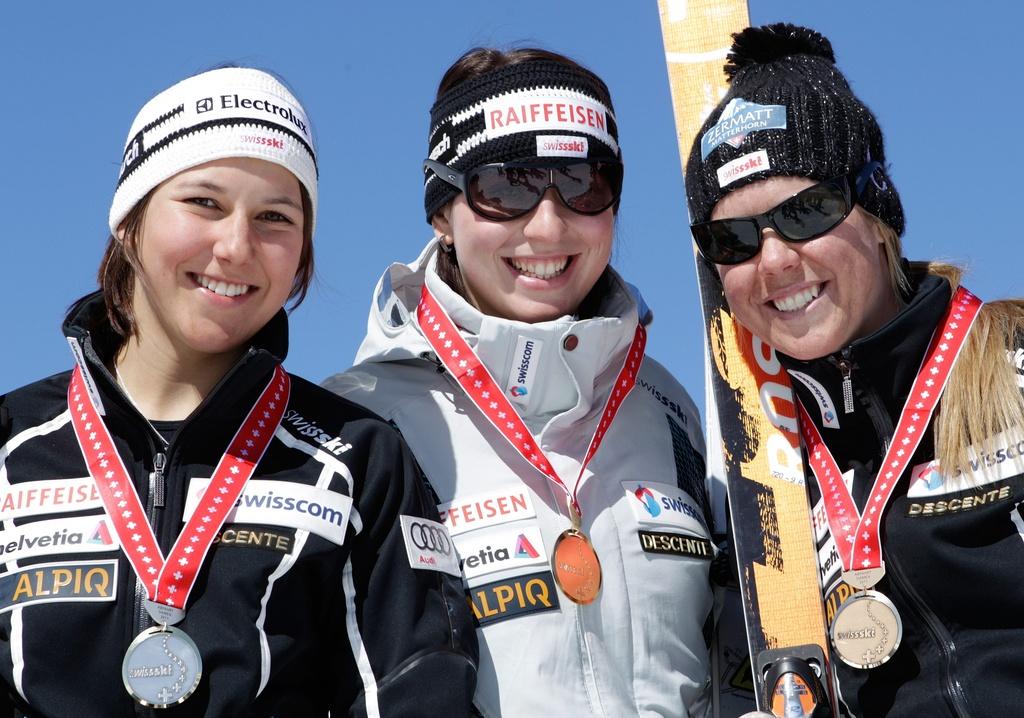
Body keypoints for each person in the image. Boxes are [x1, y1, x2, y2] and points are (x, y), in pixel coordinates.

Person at [0, 66, 477, 717]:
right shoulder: (11, 446)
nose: (235, 245)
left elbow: (416, 698)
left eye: (275, 217)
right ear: (127, 219)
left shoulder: (359, 459)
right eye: (204, 202)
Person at [323, 48, 715, 717]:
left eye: (583, 183)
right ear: (442, 212)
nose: (549, 224)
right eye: (507, 186)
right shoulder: (353, 423)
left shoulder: (669, 406)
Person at [685, 23, 1024, 718]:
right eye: (734, 238)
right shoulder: (752, 475)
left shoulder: (1013, 365)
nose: (775, 260)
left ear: (876, 211)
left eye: (807, 210)